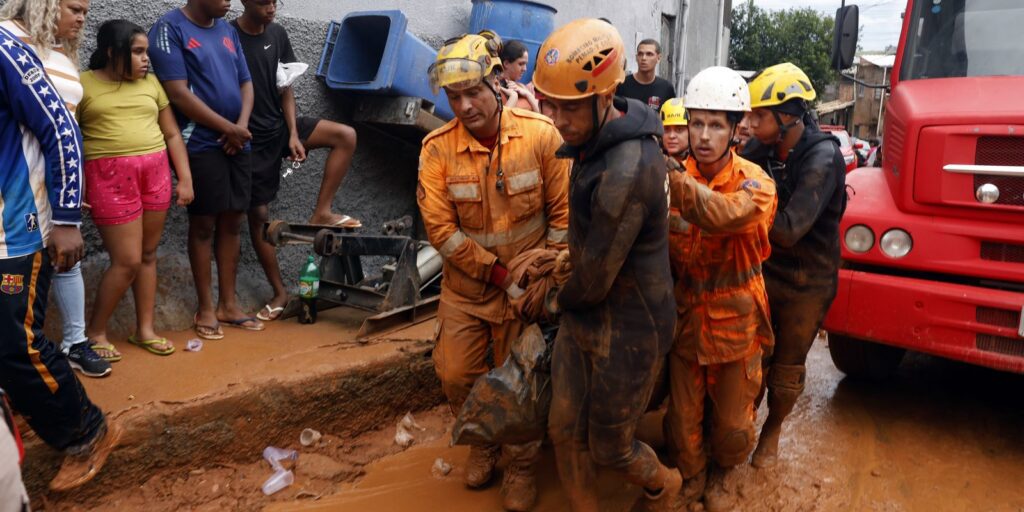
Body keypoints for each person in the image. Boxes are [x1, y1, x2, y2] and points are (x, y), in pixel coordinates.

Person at [418, 31, 570, 511]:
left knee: (522, 382)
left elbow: (564, 219)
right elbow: (441, 232)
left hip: (527, 292)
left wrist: (543, 277)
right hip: (468, 290)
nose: (463, 106)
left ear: (497, 82)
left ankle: (522, 465)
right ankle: (482, 443)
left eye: (473, 93)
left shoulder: (542, 135)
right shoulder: (435, 150)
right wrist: (501, 276)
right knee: (456, 374)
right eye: (453, 97)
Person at [533, 19, 680, 512]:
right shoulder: (593, 138)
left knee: (611, 446)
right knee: (563, 429)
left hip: (632, 324)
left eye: (568, 107)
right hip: (588, 311)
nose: (556, 118)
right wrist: (561, 266)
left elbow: (593, 279)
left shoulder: (628, 167)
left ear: (606, 96)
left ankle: (667, 487)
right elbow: (589, 259)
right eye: (548, 104)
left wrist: (552, 298)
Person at [0, 19, 121, 492]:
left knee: (14, 339)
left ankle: (88, 432)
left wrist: (67, 218)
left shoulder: (7, 48)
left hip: (17, 231)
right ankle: (29, 411)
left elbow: (61, 129)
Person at [662, 66, 777, 511]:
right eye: (696, 123)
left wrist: (673, 180)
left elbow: (723, 215)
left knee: (732, 424)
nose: (704, 135)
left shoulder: (756, 184)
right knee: (682, 419)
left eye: (716, 125)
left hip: (735, 320)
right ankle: (693, 477)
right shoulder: (667, 174)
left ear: (735, 131)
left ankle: (726, 473)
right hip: (684, 316)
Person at [0, 0, 113, 377]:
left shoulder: (63, 56)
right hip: (18, 185)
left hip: (56, 181)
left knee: (66, 261)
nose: (81, 18)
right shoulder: (13, 44)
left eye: (86, 11)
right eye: (74, 8)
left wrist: (71, 185)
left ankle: (75, 343)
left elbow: (69, 126)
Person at [231, 0, 361, 322]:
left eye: (276, 1)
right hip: (250, 141)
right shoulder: (228, 36)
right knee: (258, 215)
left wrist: (292, 133)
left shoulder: (277, 33)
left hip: (280, 128)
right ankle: (280, 292)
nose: (272, 8)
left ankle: (323, 211)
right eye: (264, 2)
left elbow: (284, 87)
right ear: (245, 2)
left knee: (345, 136)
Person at [743, 62, 846, 468]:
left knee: (786, 367)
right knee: (749, 359)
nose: (749, 124)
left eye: (759, 116)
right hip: (765, 270)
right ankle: (739, 428)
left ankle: (771, 435)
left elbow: (787, 230)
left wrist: (736, 209)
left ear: (788, 117)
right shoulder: (758, 150)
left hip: (808, 279)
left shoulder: (822, 159)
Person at [149, 0, 265, 339]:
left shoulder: (227, 29)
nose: (230, 1)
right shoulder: (169, 28)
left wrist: (239, 128)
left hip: (238, 140)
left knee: (234, 219)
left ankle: (229, 305)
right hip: (199, 143)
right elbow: (178, 94)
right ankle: (206, 307)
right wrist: (227, 129)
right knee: (203, 224)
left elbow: (247, 83)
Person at [78, 20, 193, 356]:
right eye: (138, 52)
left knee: (146, 256)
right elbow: (68, 138)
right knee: (126, 260)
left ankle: (145, 330)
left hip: (155, 173)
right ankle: (96, 332)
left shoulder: (152, 83)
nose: (146, 60)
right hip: (108, 177)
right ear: (112, 52)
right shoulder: (81, 85)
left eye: (147, 52)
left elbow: (172, 134)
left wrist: (184, 178)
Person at [616, 38, 676, 111]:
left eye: (649, 54)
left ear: (658, 58)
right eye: (640, 54)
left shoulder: (666, 88)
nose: (643, 58)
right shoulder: (622, 84)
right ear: (636, 57)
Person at [498, 39, 539, 112]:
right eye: (521, 64)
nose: (525, 69)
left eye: (525, 64)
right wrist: (513, 97)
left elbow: (541, 117)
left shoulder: (521, 87)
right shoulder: (496, 89)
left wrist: (528, 95)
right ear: (506, 63)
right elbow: (501, 121)